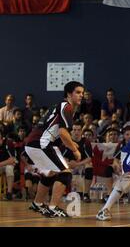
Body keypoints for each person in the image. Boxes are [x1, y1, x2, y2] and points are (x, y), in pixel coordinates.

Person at [25, 81, 84, 218]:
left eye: (82, 93)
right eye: (78, 92)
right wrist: (75, 150)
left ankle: (38, 204)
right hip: (41, 143)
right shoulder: (66, 107)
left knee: (50, 173)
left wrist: (73, 145)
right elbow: (63, 133)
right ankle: (53, 207)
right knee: (66, 174)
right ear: (69, 94)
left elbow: (58, 133)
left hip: (34, 143)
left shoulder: (61, 107)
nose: (82, 95)